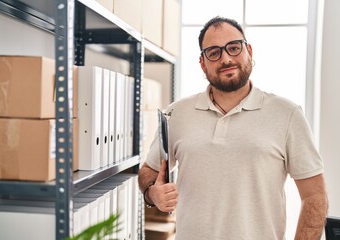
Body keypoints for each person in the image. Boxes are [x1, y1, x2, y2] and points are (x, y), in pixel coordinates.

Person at [138, 16, 328, 240]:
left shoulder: (287, 114)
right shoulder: (176, 114)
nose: (226, 58)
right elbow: (147, 171)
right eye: (214, 52)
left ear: (249, 50)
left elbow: (315, 197)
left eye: (234, 48)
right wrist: (152, 193)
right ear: (202, 63)